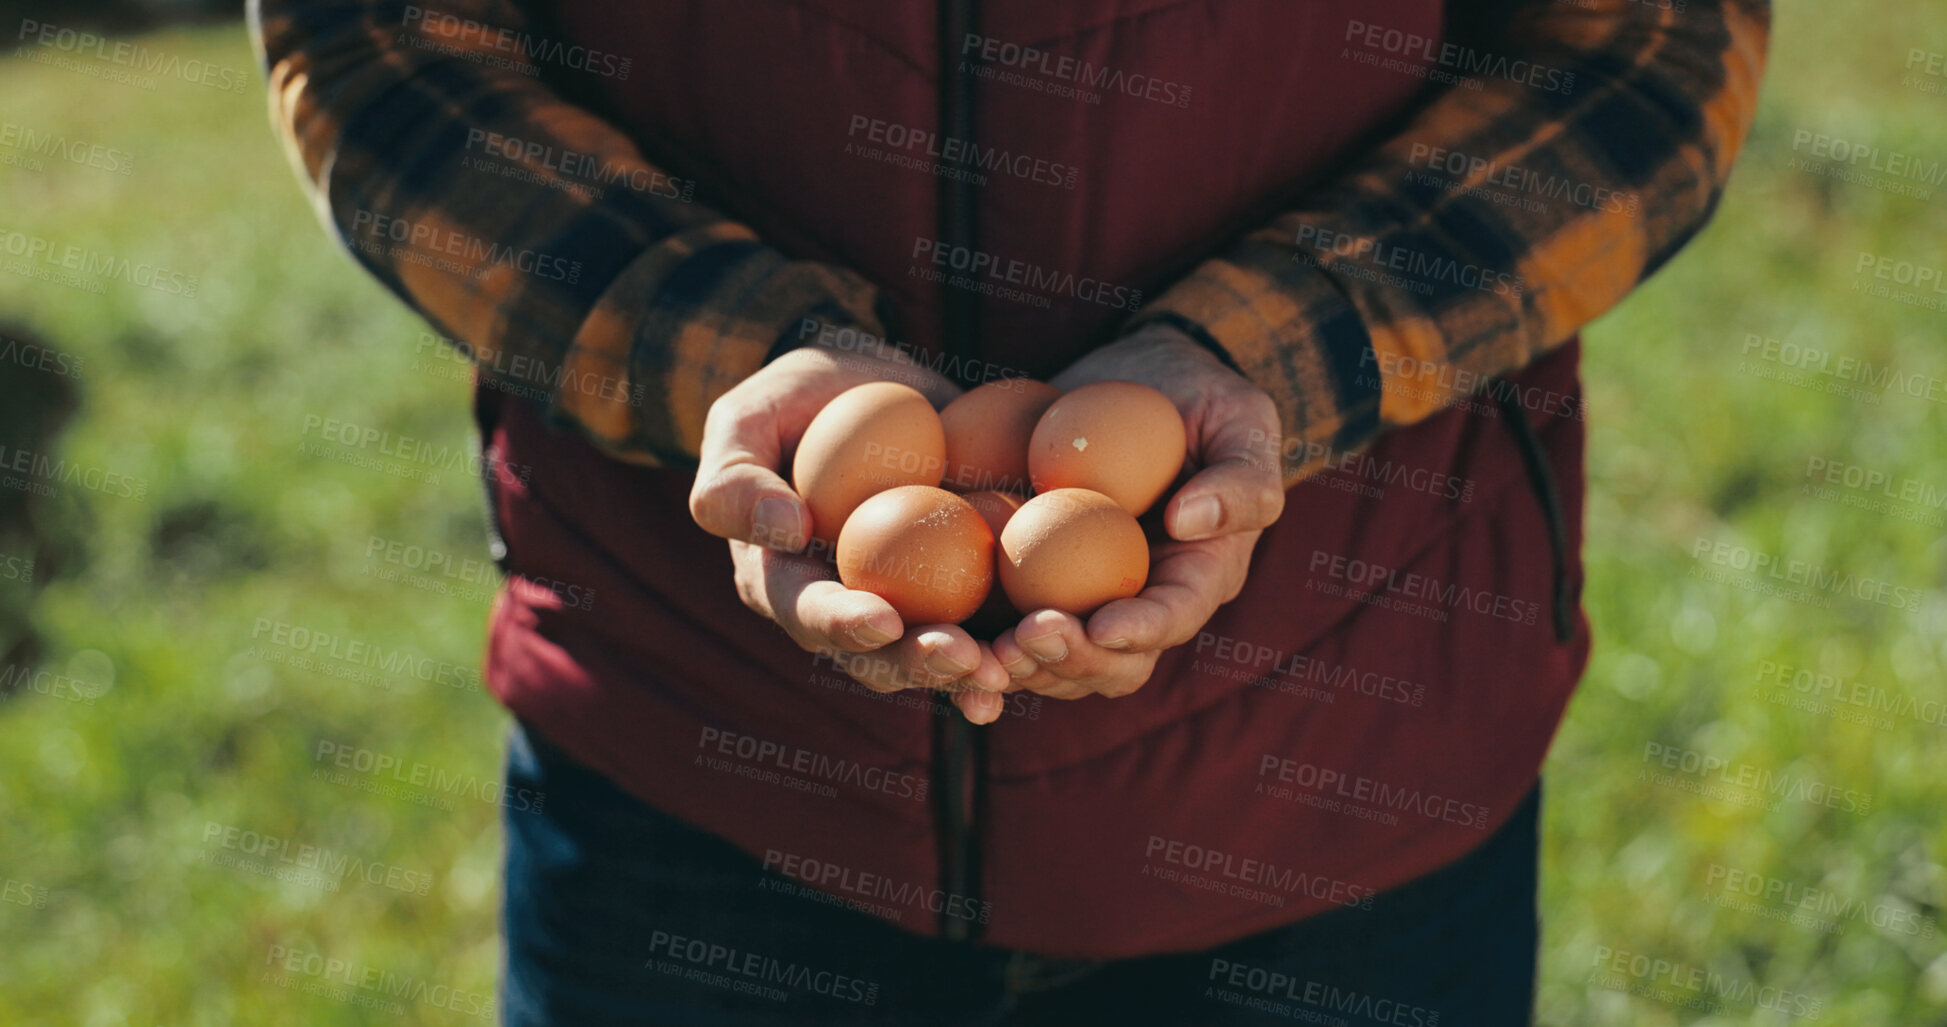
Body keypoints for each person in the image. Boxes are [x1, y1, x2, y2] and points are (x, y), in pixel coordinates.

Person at [254, 0, 1769, 1022]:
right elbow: (378, 42)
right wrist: (735, 351)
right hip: (692, 746)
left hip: (1341, 762)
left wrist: (1275, 351)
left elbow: (1644, 50)